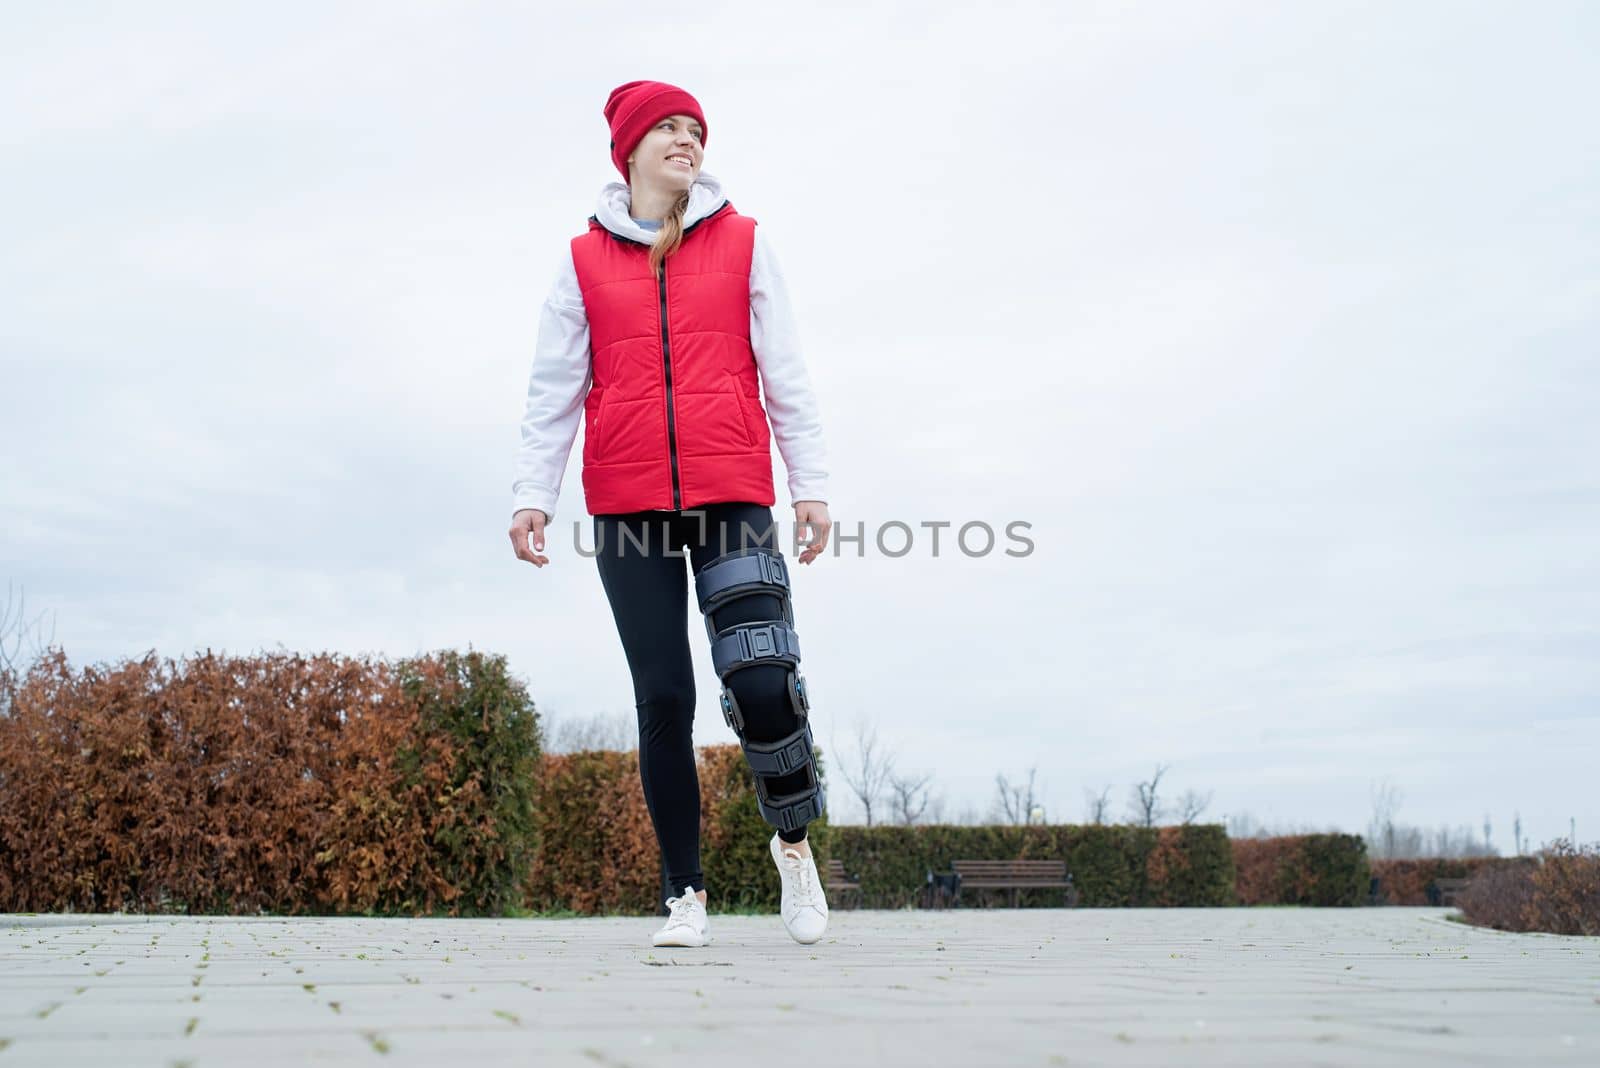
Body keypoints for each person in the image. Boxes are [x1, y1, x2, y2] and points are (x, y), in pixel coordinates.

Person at [508, 80, 834, 948]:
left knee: (763, 676)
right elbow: (553, 391)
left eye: (696, 129)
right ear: (630, 149)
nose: (687, 140)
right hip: (629, 503)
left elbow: (787, 371)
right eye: (669, 128)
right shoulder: (581, 262)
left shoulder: (745, 243)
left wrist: (812, 485)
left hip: (731, 488)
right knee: (663, 697)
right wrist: (531, 495)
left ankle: (793, 849)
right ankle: (683, 897)